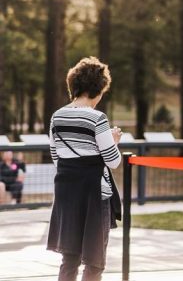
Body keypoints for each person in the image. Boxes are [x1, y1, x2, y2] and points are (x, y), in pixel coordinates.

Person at [47, 57, 122, 281]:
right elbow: (113, 161)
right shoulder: (97, 119)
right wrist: (113, 140)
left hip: (66, 195)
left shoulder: (56, 116)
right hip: (94, 197)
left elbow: (56, 157)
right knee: (94, 261)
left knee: (69, 259)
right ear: (97, 89)